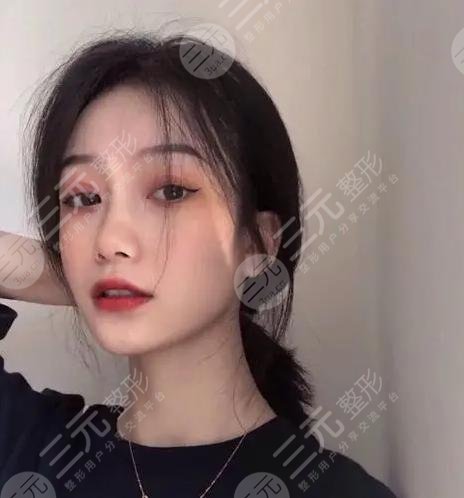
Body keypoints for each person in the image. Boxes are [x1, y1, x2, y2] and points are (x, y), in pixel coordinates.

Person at [0, 33, 397, 497]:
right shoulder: (33, 453)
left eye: (170, 191)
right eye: (84, 199)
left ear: (258, 242)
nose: (109, 240)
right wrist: (73, 275)